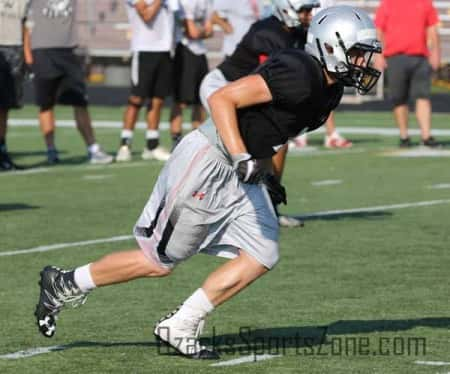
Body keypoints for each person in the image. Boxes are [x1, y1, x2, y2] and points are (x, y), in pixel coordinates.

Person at [34, 5, 381, 360]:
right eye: (357, 53)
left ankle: (182, 323)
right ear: (330, 45)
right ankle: (65, 283)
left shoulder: (330, 90)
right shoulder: (297, 70)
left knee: (263, 251)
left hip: (241, 169)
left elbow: (269, 126)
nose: (364, 64)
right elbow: (222, 98)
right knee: (159, 262)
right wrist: (241, 157)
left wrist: (264, 170)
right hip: (211, 159)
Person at [200, 0, 320, 227]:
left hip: (245, 91)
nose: (308, 15)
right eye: (303, 10)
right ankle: (217, 205)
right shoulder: (268, 33)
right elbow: (272, 78)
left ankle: (267, 207)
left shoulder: (296, 32)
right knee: (241, 146)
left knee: (276, 141)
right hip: (222, 88)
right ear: (287, 8)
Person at [24, 0, 113, 165]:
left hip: (67, 51)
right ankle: (51, 150)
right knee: (46, 104)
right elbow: (23, 20)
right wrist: (28, 55)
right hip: (42, 51)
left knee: (80, 102)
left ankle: (93, 148)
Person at [115, 0, 178, 162]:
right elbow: (147, 15)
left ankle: (152, 144)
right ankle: (125, 144)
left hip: (165, 51)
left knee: (157, 100)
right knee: (136, 98)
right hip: (144, 50)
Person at [374, 0, 441, 148]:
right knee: (399, 98)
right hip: (395, 57)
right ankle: (404, 136)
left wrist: (436, 52)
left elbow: (432, 28)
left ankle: (426, 135)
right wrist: (378, 54)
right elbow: (379, 30)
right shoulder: (388, 3)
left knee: (423, 96)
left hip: (420, 57)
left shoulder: (425, 3)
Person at [290, 0, 353, 150]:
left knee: (326, 87)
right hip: (307, 40)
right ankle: (298, 132)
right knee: (305, 88)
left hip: (326, 43)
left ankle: (328, 134)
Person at [169, 0, 213, 151]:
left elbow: (209, 31)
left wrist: (199, 31)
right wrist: (201, 31)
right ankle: (176, 140)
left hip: (200, 52)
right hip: (185, 51)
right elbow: (192, 32)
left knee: (199, 101)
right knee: (181, 100)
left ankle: (197, 140)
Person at [0, 0, 29, 171]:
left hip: (14, 49)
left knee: (5, 106)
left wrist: (27, 55)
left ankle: (2, 151)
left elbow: (24, 26)